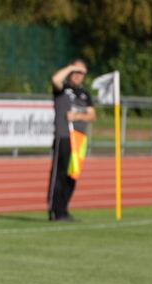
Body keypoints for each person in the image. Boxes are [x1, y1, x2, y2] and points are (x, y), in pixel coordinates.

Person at [48, 58, 96, 221]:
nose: (77, 75)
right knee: (59, 175)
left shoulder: (84, 93)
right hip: (64, 136)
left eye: (81, 72)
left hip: (79, 139)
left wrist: (77, 116)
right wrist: (70, 67)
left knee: (72, 176)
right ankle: (55, 210)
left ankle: (64, 209)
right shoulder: (62, 89)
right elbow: (55, 80)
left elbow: (92, 115)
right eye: (75, 71)